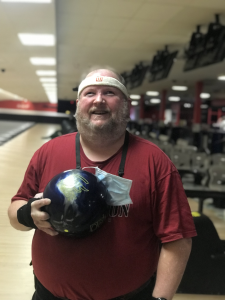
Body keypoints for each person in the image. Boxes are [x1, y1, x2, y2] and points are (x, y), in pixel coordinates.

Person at [8, 68, 197, 300]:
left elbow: (177, 239)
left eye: (109, 92)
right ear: (78, 104)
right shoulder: (48, 152)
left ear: (126, 103)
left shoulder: (156, 162)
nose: (99, 99)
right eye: (89, 93)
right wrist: (28, 214)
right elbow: (15, 210)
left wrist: (160, 299)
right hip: (48, 294)